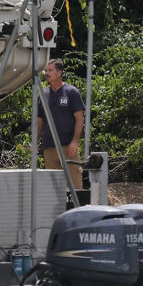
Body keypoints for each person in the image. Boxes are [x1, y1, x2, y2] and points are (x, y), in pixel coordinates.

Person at [37, 58, 86, 189]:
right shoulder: (42, 93)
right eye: (46, 70)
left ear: (59, 73)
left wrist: (75, 141)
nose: (47, 73)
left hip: (68, 147)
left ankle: (77, 209)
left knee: (75, 185)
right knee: (53, 189)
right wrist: (35, 143)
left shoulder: (71, 92)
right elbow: (39, 121)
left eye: (50, 70)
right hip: (49, 147)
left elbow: (80, 118)